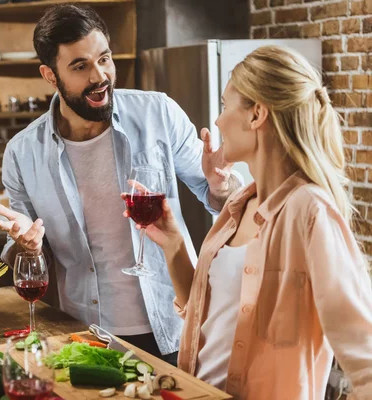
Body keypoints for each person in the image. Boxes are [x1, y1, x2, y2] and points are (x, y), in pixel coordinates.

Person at [0, 4, 241, 364]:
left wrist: (221, 184)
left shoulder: (158, 113)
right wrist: (26, 247)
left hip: (175, 324)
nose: (100, 76)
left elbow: (225, 199)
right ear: (49, 75)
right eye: (80, 66)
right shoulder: (22, 153)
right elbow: (25, 257)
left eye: (104, 58)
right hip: (84, 332)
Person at [140, 45, 372, 399]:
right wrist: (173, 246)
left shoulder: (309, 211)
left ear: (256, 115)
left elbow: (363, 348)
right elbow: (205, 315)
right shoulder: (237, 207)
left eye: (224, 106)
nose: (217, 121)